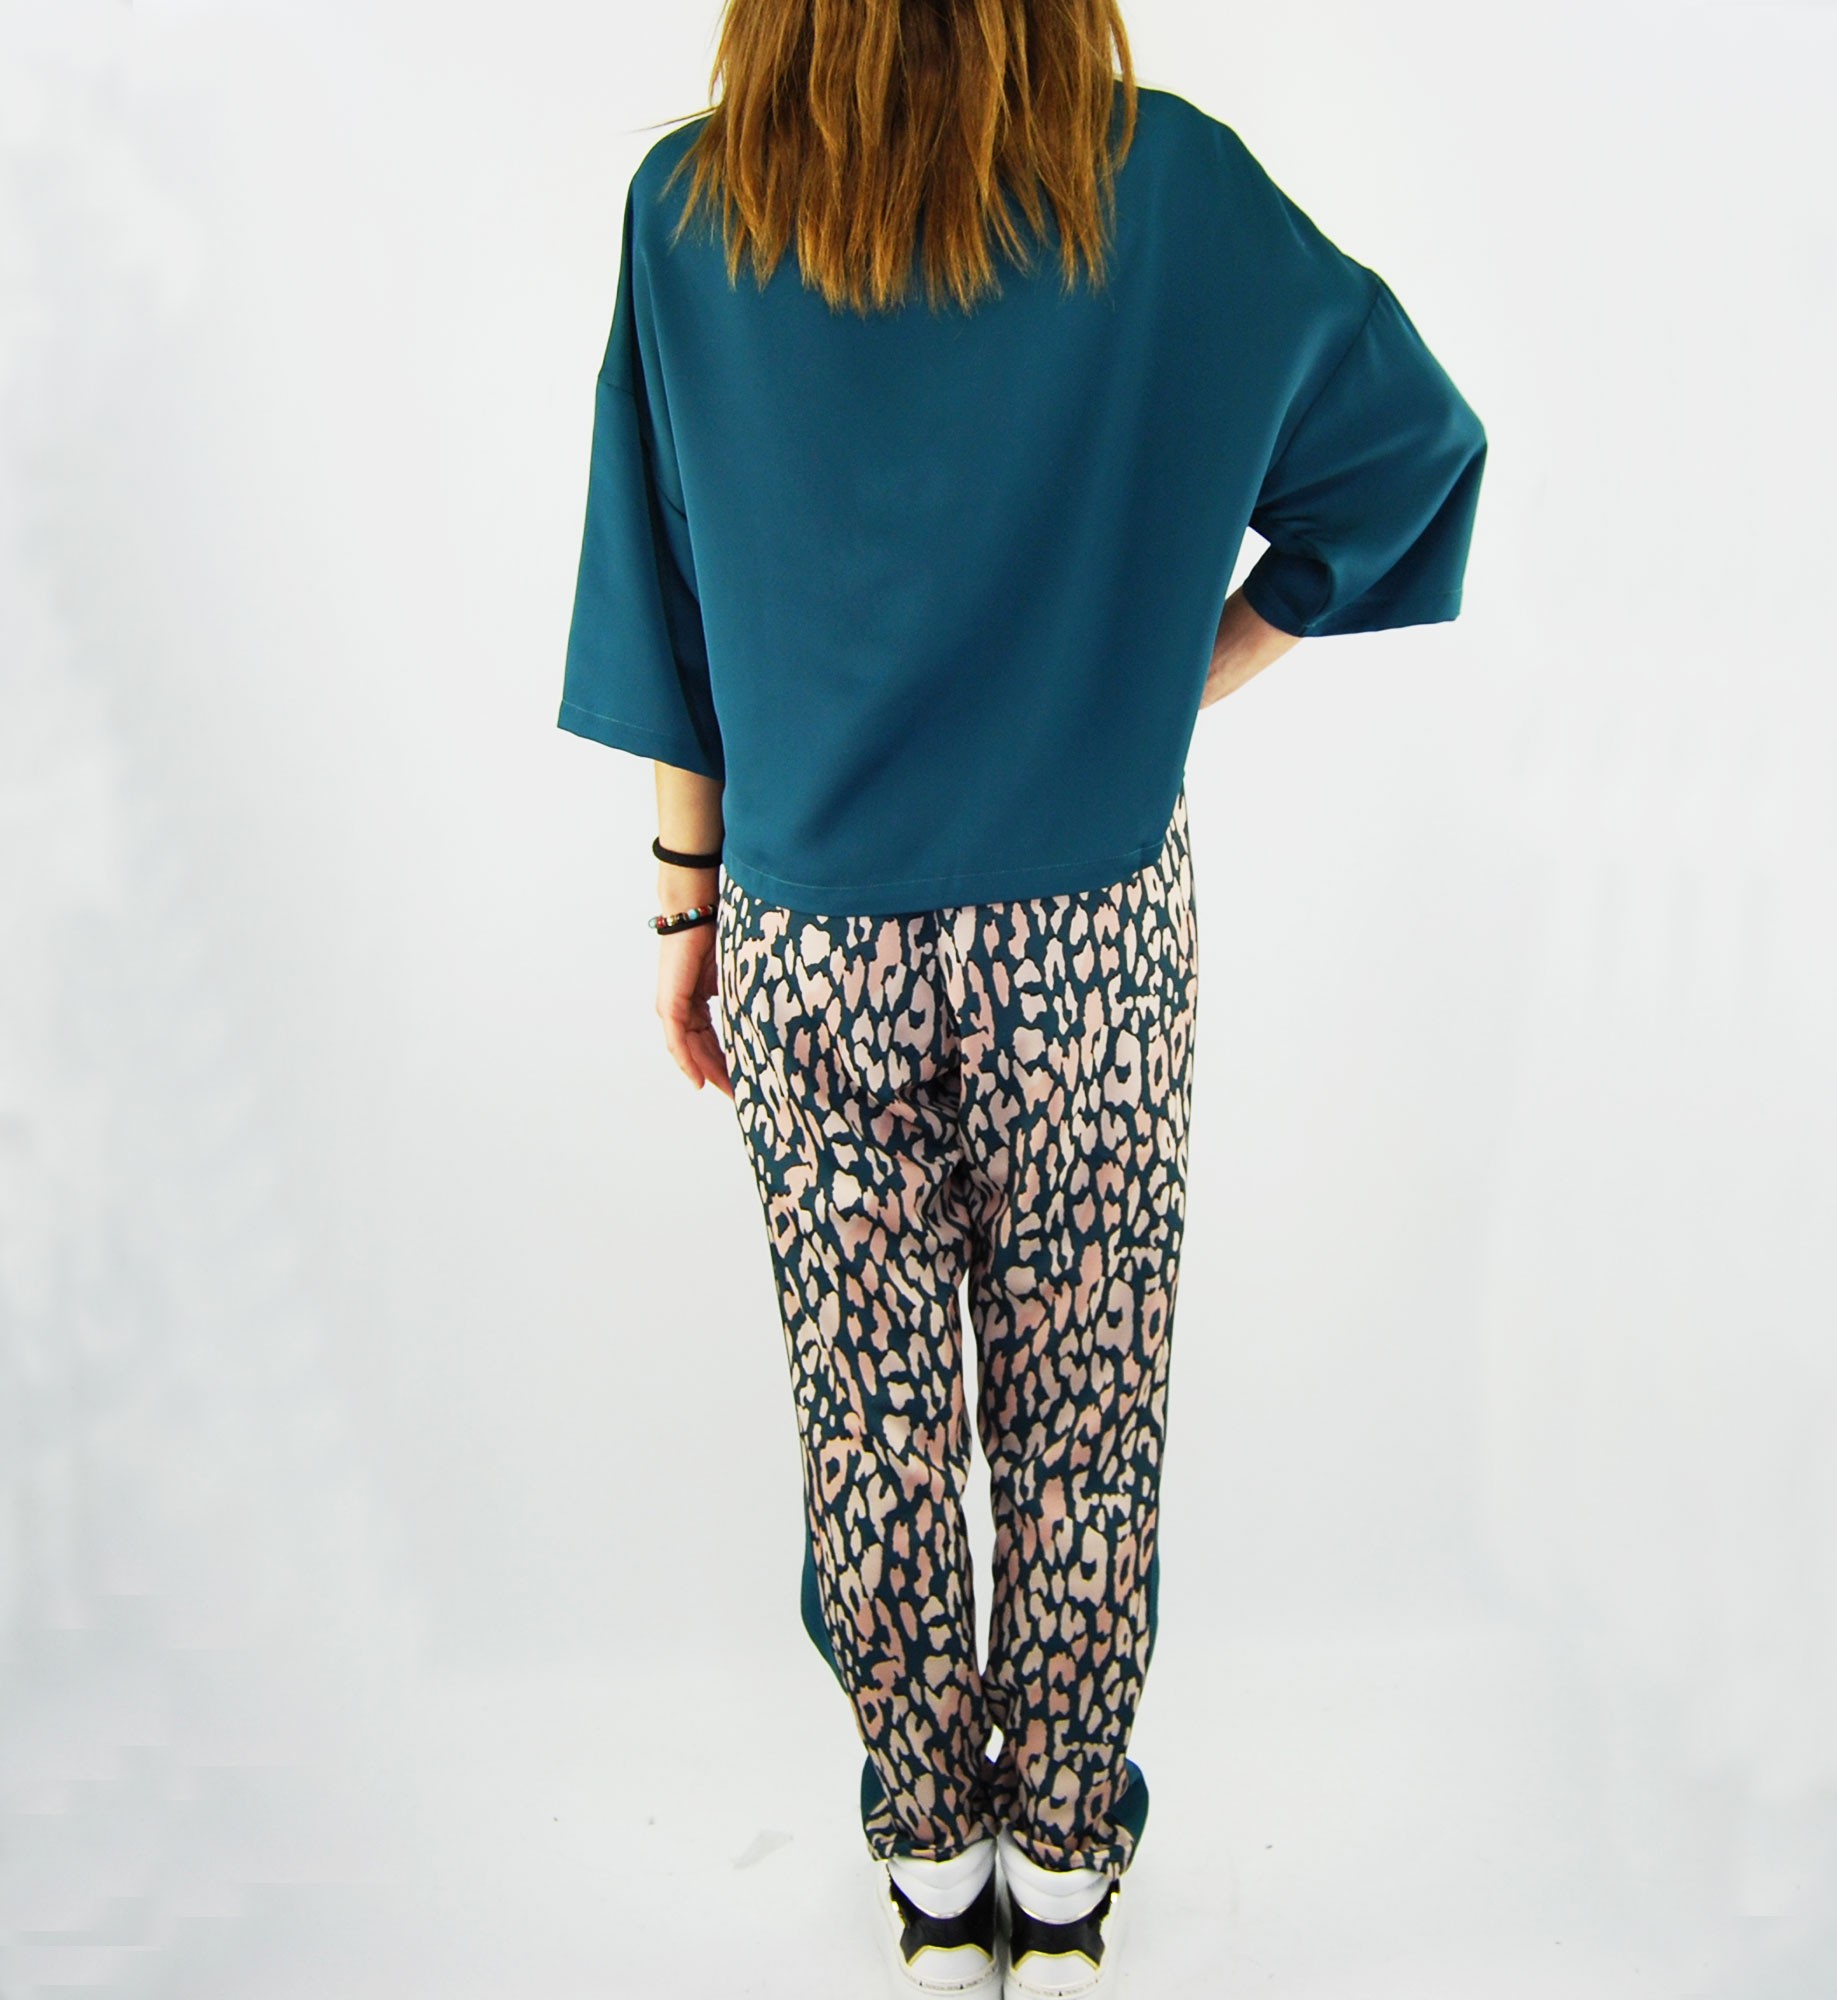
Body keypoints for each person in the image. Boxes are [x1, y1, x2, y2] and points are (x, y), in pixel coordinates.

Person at [556, 5, 1487, 1993]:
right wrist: (1172, 676)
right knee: (1087, 1410)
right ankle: (1060, 1884)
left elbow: (664, 592)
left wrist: (682, 911)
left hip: (814, 932)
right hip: (1091, 933)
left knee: (871, 1427)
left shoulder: (694, 209)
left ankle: (930, 1876)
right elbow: (1407, 454)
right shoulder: (1169, 184)